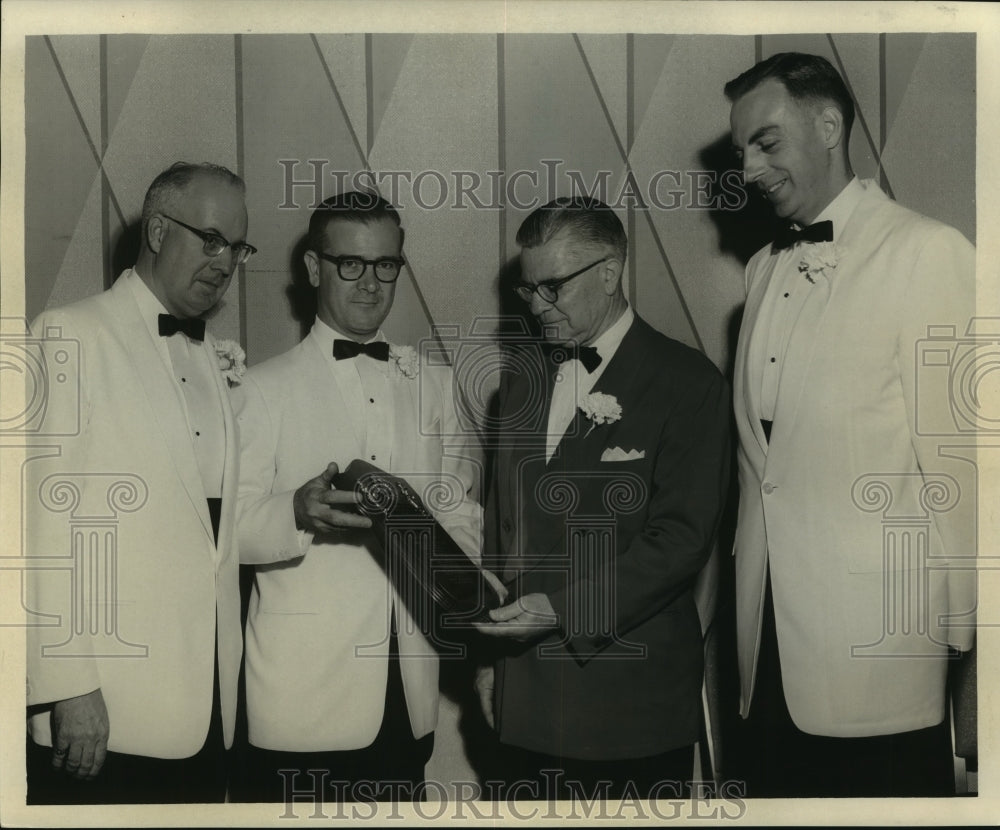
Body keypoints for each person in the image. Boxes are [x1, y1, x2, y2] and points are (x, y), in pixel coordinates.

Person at [726, 52, 976, 797]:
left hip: (885, 660)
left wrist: (969, 662)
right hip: (766, 648)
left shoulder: (928, 252)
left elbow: (965, 476)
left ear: (829, 125)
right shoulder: (762, 272)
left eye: (764, 142)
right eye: (741, 149)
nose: (747, 167)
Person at [474, 197, 731, 801]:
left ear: (610, 273)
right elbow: (498, 536)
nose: (538, 307)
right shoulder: (517, 387)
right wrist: (484, 665)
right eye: (527, 289)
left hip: (633, 712)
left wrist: (561, 610)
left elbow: (680, 542)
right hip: (525, 709)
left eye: (553, 288)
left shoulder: (689, 383)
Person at [233, 191, 485, 803]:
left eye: (386, 265)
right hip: (301, 696)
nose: (370, 283)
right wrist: (294, 511)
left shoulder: (436, 383)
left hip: (410, 687)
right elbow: (226, 531)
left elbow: (461, 512)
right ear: (315, 268)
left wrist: (459, 574)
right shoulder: (258, 389)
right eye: (351, 264)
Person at [24, 161, 254, 803]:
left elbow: (213, 536)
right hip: (101, 716)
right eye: (210, 239)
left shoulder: (212, 356)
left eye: (236, 247)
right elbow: (39, 531)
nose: (225, 261)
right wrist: (66, 685)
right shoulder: (68, 334)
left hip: (207, 712)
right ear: (156, 230)